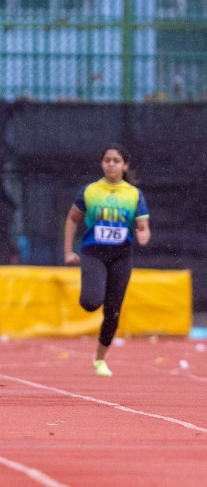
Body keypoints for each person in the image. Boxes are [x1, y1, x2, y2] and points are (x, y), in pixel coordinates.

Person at [63, 144, 150, 377]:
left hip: (121, 256)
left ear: (125, 165)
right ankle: (91, 290)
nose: (111, 164)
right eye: (107, 160)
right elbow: (72, 219)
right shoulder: (90, 191)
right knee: (91, 302)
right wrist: (68, 251)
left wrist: (144, 234)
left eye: (116, 161)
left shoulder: (133, 194)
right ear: (102, 164)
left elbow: (144, 226)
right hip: (94, 253)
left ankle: (100, 359)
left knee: (113, 311)